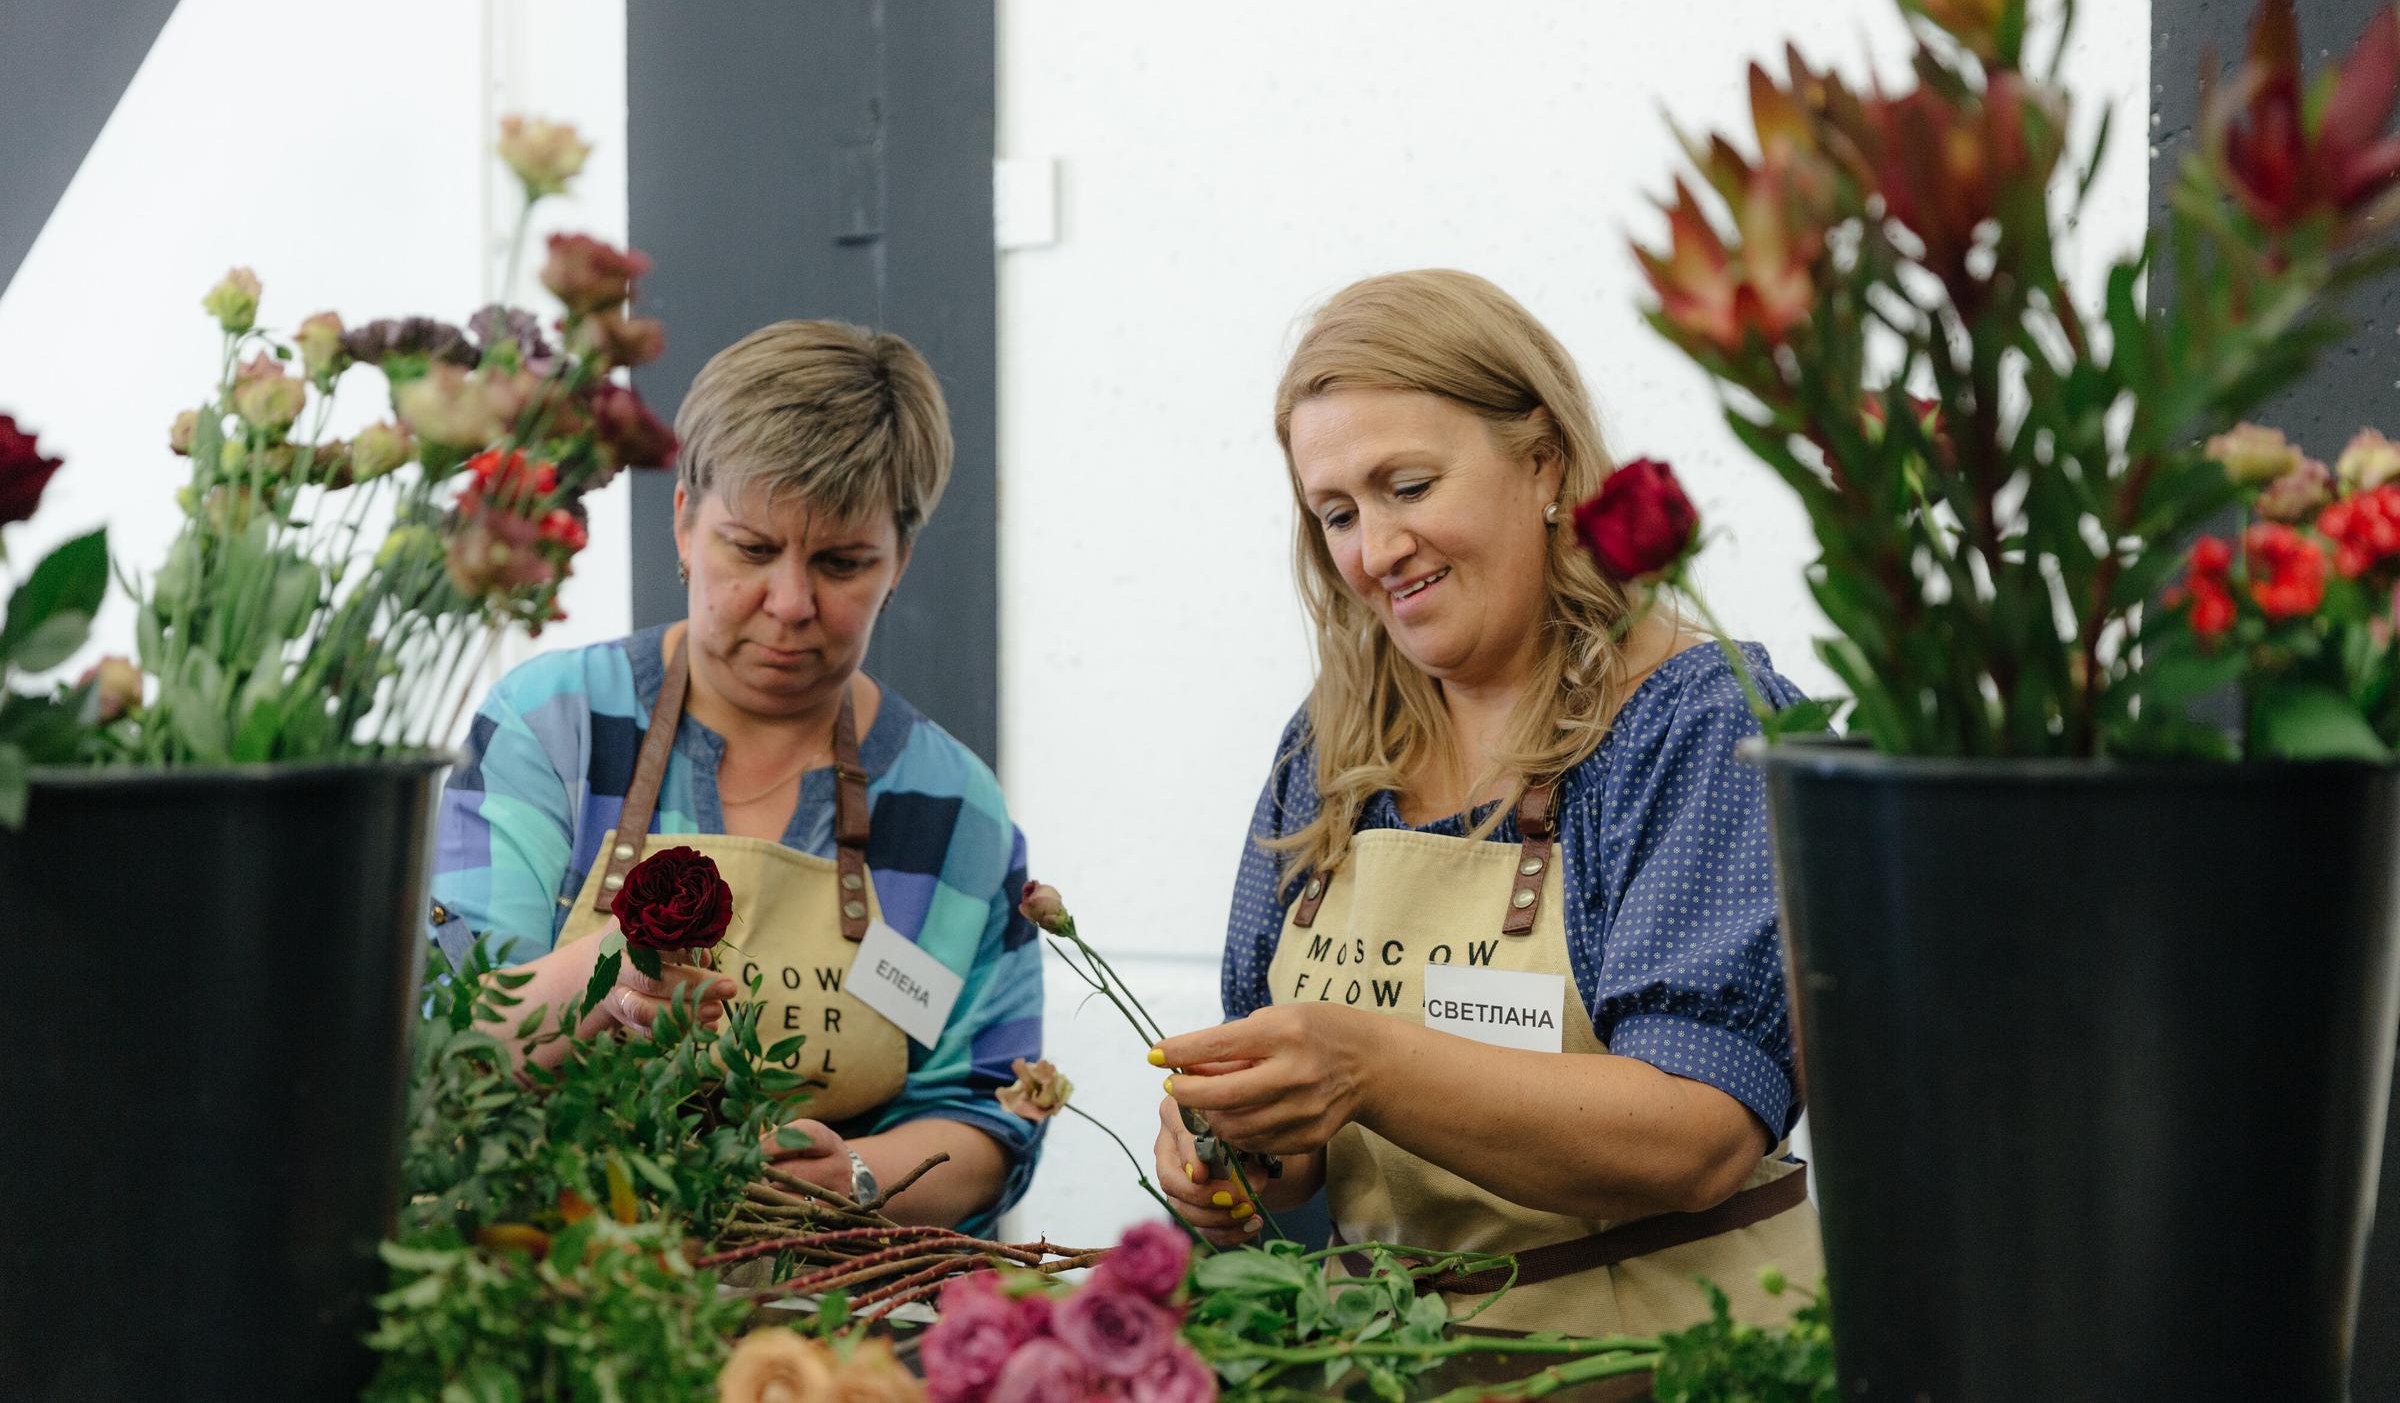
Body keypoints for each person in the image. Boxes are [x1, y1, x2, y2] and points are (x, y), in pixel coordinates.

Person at [1150, 270, 1824, 1335]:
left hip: (1669, 1354)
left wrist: (1365, 1064)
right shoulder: (1332, 749)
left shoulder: (1693, 728)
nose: (1374, 553)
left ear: (1544, 461)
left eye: (1407, 486)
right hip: (1400, 1355)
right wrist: (1240, 1153)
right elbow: (1291, 1121)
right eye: (1337, 513)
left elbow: (1696, 1135)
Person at [430, 320, 1043, 1234]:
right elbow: (455, 1035)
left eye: (842, 563)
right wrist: (615, 973)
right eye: (751, 550)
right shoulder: (555, 727)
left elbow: (991, 1113)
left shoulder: (952, 810)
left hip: (831, 1314)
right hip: (557, 1276)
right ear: (683, 523)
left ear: (899, 562)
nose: (791, 604)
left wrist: (853, 1179)